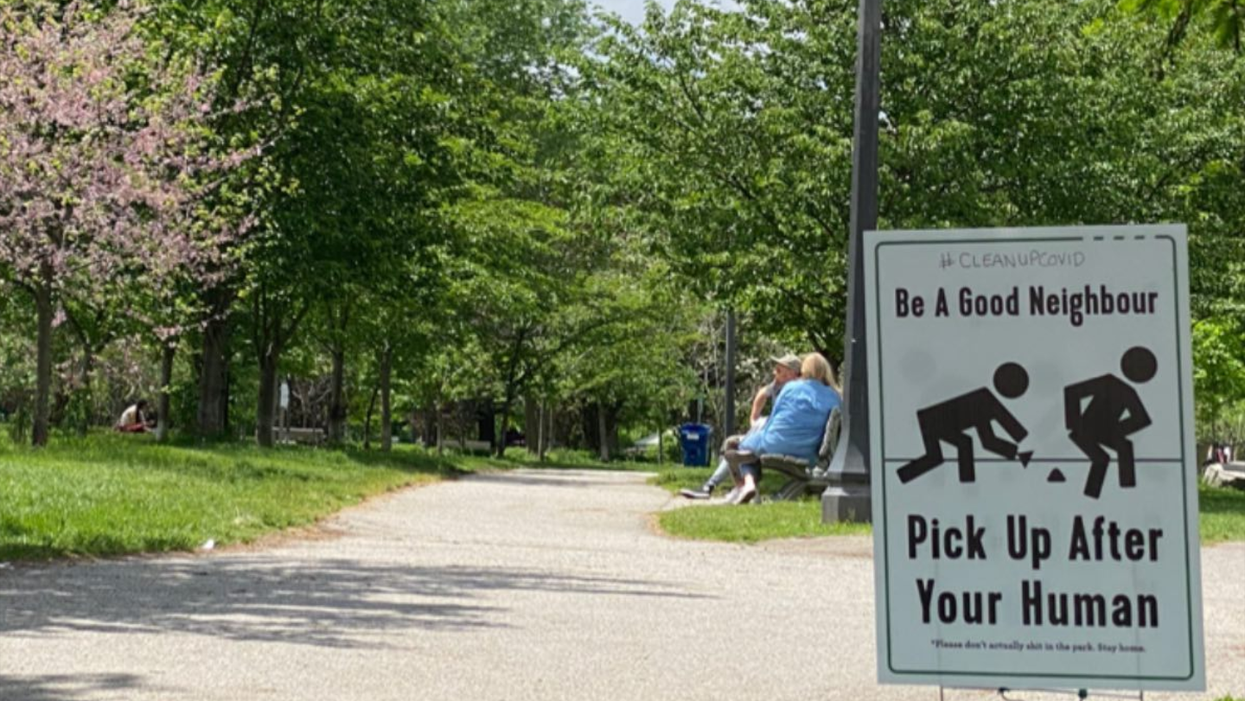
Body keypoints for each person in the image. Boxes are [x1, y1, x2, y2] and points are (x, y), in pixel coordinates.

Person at [679, 354, 802, 500]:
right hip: (775, 437)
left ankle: (729, 487)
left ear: (792, 373)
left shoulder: (797, 391)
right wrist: (754, 418)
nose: (775, 372)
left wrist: (760, 424)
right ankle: (735, 487)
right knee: (738, 445)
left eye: (779, 369)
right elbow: (762, 394)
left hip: (783, 442)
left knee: (737, 446)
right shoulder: (778, 385)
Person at [726, 353, 842, 504]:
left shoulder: (790, 387)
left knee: (739, 446)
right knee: (751, 447)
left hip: (774, 444)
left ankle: (747, 485)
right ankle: (748, 489)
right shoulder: (834, 397)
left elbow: (773, 420)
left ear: (804, 370)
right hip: (810, 452)